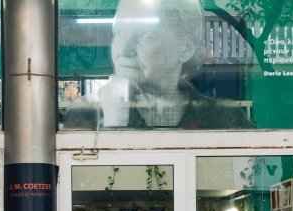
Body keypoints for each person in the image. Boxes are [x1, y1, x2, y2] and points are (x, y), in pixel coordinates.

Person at [64, 0, 253, 130]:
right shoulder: (86, 113)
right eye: (120, 33)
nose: (124, 50)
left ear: (185, 48)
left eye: (146, 36)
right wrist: (114, 122)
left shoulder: (224, 118)